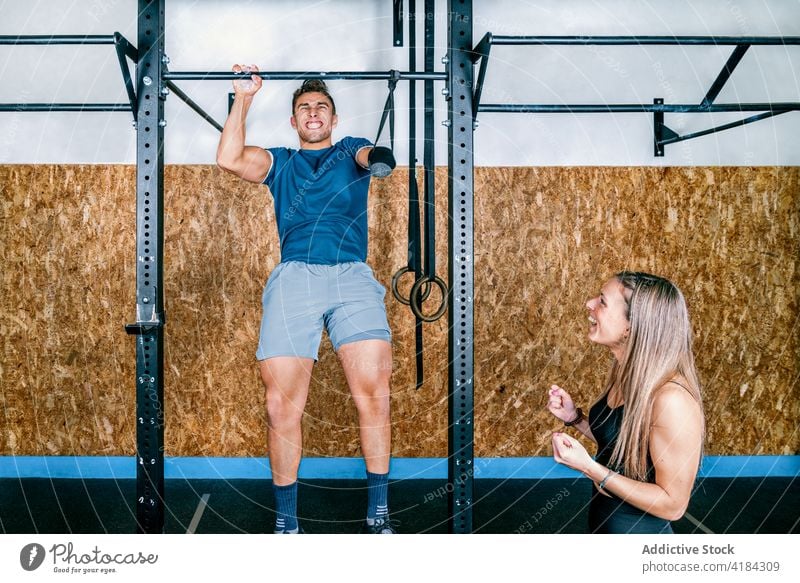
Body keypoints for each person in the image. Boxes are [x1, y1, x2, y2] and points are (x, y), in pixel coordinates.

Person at [216, 65, 397, 534]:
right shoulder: (279, 163)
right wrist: (244, 96)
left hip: (352, 278)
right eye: (304, 109)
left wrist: (379, 157)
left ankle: (378, 516)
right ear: (294, 123)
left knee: (374, 398)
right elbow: (229, 159)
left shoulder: (349, 149)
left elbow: (368, 154)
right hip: (295, 277)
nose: (313, 113)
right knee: (281, 405)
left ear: (333, 120)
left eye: (321, 107)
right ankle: (287, 523)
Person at [547, 271, 704, 533]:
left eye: (602, 301)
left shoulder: (672, 399)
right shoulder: (629, 375)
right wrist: (575, 419)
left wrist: (589, 467)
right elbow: (624, 446)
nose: (589, 304)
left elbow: (673, 505)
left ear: (632, 326)